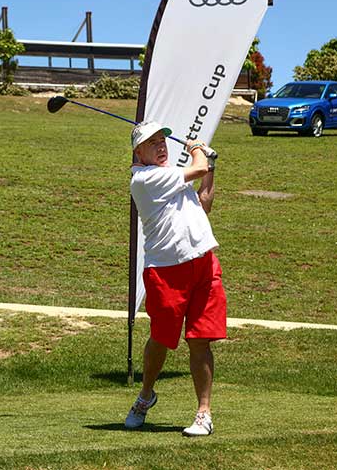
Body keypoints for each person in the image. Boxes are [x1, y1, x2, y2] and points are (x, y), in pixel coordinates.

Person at [123, 120, 227, 437]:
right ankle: (145, 395)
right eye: (152, 142)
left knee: (200, 339)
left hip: (204, 264)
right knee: (162, 339)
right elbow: (195, 169)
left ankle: (203, 413)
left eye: (162, 140)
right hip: (166, 271)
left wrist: (210, 164)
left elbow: (204, 199)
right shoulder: (144, 178)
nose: (161, 145)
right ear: (138, 152)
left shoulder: (169, 177)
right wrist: (199, 151)